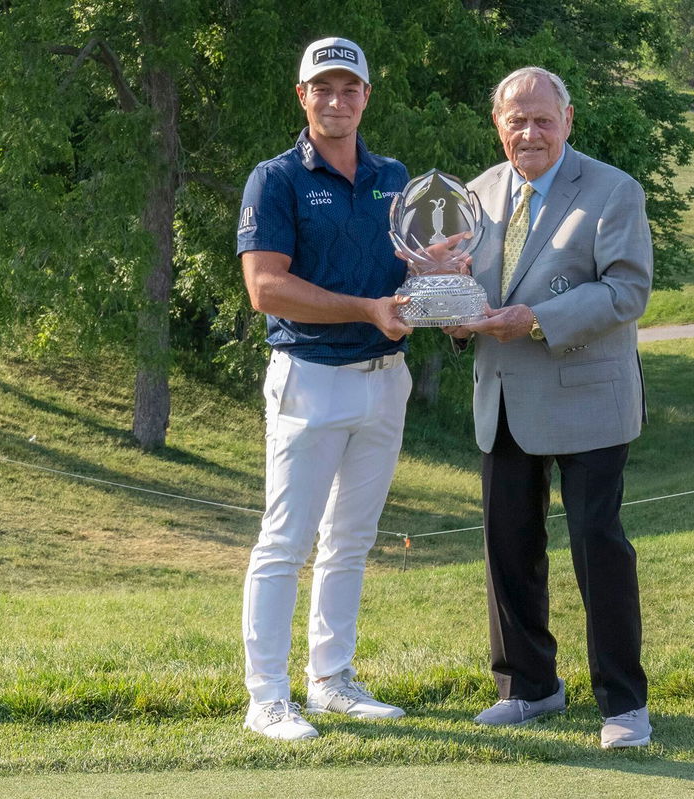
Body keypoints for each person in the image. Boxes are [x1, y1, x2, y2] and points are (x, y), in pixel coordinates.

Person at [448, 66, 654, 749]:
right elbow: (463, 290)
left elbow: (627, 290)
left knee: (598, 548)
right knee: (509, 547)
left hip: (588, 397)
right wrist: (445, 307)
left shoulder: (612, 190)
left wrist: (536, 317)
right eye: (517, 121)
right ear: (498, 125)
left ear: (568, 121)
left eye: (542, 119)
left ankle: (623, 704)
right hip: (504, 398)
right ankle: (529, 686)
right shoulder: (474, 195)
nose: (529, 132)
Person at [235, 36, 414, 741]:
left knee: (350, 540)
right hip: (309, 378)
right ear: (302, 95)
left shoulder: (394, 175)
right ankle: (268, 697)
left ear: (367, 96)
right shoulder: (275, 179)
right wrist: (366, 308)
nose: (336, 100)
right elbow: (265, 287)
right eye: (323, 88)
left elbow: (412, 270)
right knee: (285, 541)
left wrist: (442, 290)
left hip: (383, 380)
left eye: (350, 88)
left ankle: (332, 679)